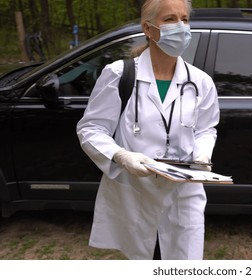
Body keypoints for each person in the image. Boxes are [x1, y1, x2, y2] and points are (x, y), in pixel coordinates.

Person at [76, 0, 219, 260]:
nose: (181, 27)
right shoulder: (119, 75)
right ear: (148, 28)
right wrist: (121, 156)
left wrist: (202, 153)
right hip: (136, 193)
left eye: (185, 19)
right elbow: (91, 129)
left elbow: (207, 129)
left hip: (183, 194)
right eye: (170, 19)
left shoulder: (201, 82)